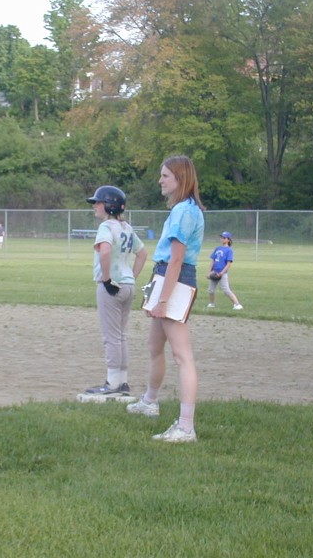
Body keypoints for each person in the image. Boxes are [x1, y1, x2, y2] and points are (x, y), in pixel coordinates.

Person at [127, 155, 205, 443]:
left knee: (182, 356)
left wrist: (163, 300)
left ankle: (186, 427)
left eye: (165, 176)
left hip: (176, 279)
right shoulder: (183, 209)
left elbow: (177, 260)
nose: (160, 180)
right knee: (154, 345)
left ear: (180, 179)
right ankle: (150, 401)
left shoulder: (185, 211)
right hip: (165, 278)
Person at [83, 186, 148, 398]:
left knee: (111, 336)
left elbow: (105, 251)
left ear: (108, 205)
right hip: (128, 285)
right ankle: (122, 381)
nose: (94, 205)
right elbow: (143, 253)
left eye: (98, 202)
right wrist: (131, 276)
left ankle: (112, 383)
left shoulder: (106, 227)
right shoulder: (126, 227)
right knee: (120, 335)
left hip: (111, 285)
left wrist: (107, 279)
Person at [206, 231, 243, 310]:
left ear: (228, 240)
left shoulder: (229, 250)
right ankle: (212, 304)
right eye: (221, 237)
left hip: (222, 273)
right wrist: (209, 272)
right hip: (214, 272)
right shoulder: (218, 248)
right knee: (211, 290)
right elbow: (212, 261)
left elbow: (228, 264)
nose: (222, 239)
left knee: (226, 290)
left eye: (224, 238)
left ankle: (237, 304)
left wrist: (222, 273)